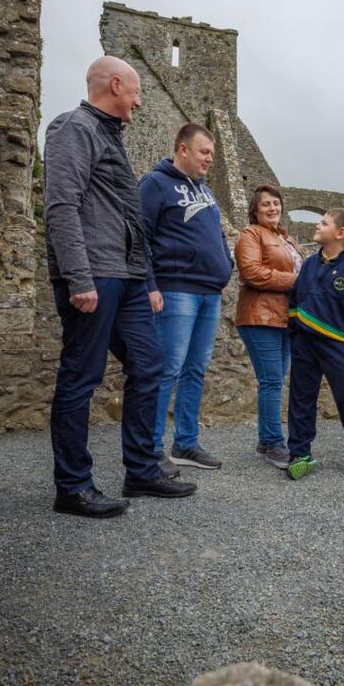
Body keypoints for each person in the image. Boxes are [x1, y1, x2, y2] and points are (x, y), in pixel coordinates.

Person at [44, 55, 197, 519]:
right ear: (115, 85)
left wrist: (146, 280)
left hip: (127, 278)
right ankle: (72, 486)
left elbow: (128, 219)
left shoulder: (108, 135)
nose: (138, 100)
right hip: (95, 276)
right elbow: (61, 207)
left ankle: (141, 469)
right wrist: (78, 278)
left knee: (149, 365)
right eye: (134, 91)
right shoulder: (74, 128)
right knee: (81, 377)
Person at [139, 123, 233, 470]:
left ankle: (186, 444)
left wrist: (227, 262)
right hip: (175, 290)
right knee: (168, 369)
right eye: (204, 152)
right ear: (182, 150)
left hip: (209, 293)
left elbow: (218, 235)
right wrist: (150, 285)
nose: (210, 158)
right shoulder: (155, 184)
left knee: (196, 369)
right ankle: (149, 451)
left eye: (211, 153)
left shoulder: (206, 191)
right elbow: (138, 236)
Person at [286, 209, 344, 480]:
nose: (317, 225)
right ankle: (300, 453)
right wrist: (295, 332)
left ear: (340, 233)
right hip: (304, 345)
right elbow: (295, 301)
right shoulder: (309, 265)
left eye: (323, 223)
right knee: (300, 400)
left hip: (339, 348)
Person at [234, 185, 304, 469]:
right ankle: (274, 443)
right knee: (272, 380)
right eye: (266, 204)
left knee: (275, 380)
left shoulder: (285, 238)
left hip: (283, 318)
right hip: (259, 316)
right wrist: (295, 281)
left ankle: (266, 440)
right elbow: (251, 273)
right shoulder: (250, 234)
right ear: (255, 210)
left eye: (276, 203)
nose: (273, 208)